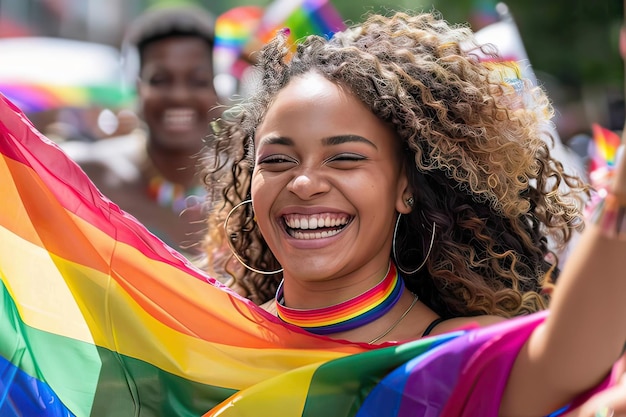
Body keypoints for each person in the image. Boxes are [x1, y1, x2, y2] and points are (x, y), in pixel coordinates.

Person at [202, 10, 626, 416]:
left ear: (406, 188)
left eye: (345, 158)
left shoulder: (455, 354)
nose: (304, 183)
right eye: (276, 161)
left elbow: (566, 359)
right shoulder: (204, 346)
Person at [62, 4, 221, 262]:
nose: (179, 95)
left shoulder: (243, 188)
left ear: (216, 91)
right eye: (160, 80)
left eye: (197, 81)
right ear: (138, 88)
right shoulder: (86, 176)